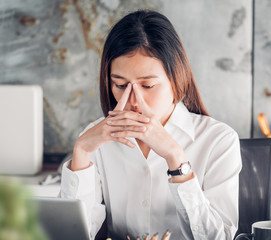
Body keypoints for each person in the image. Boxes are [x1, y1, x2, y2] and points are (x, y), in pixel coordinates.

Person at [60, 9, 242, 240]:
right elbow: (70, 235)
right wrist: (81, 151)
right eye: (120, 85)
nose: (134, 101)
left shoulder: (218, 140)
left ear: (176, 80)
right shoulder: (96, 139)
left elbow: (220, 237)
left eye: (147, 86)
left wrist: (176, 159)